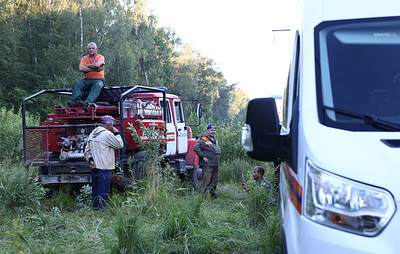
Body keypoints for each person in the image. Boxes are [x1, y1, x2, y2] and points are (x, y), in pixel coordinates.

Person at [84, 115, 123, 210]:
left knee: (96, 188)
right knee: (104, 189)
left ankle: (95, 207)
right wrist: (117, 133)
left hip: (94, 166)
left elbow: (86, 150)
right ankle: (101, 209)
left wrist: (90, 160)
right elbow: (119, 144)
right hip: (104, 166)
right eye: (112, 123)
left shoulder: (93, 133)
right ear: (110, 124)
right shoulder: (107, 134)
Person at [68, 42, 105, 107]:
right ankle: (75, 102)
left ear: (96, 49)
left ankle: (87, 103)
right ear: (88, 50)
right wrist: (94, 69)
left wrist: (87, 66)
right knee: (77, 83)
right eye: (89, 48)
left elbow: (97, 64)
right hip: (86, 80)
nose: (91, 50)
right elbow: (81, 68)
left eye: (93, 48)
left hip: (99, 80)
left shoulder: (100, 57)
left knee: (97, 85)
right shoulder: (84, 58)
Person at [193, 124, 221, 199]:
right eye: (211, 130)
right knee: (206, 181)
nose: (213, 132)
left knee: (215, 181)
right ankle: (203, 197)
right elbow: (195, 148)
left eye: (214, 130)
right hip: (207, 165)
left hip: (215, 165)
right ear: (207, 131)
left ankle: (213, 195)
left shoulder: (215, 139)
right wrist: (203, 157)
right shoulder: (203, 139)